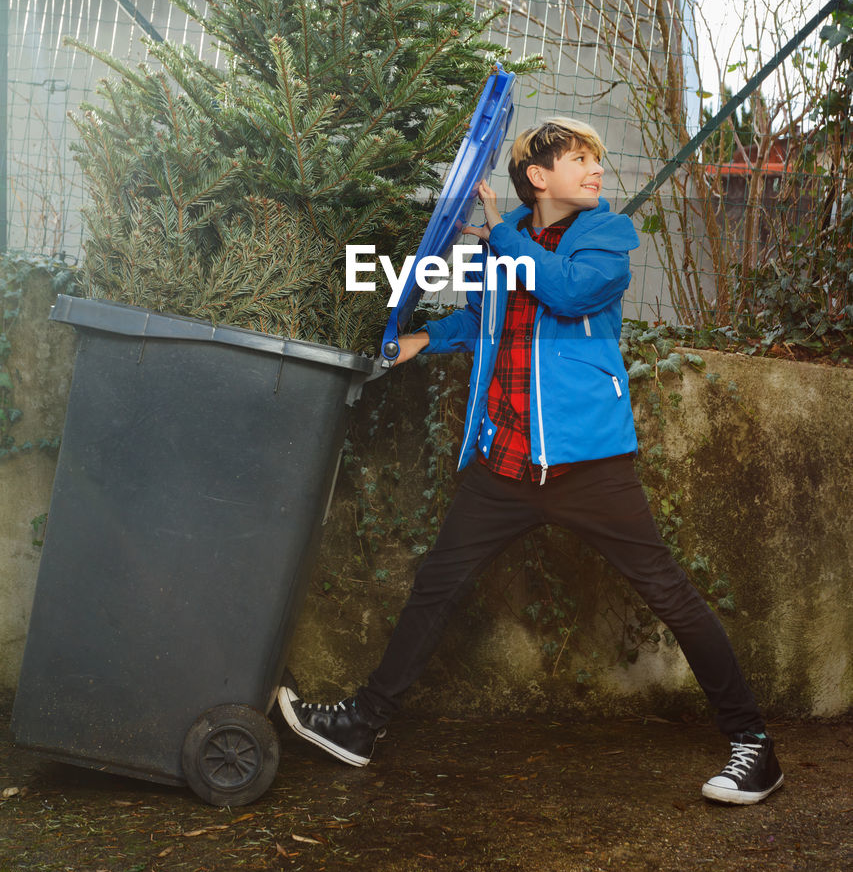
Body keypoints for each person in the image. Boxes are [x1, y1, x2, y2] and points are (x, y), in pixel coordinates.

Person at [278, 117, 784, 805]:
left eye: (596, 159)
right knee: (437, 586)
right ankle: (363, 725)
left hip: (588, 465)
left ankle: (753, 745)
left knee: (670, 595)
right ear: (537, 176)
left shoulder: (606, 237)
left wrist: (500, 234)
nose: (596, 170)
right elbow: (484, 319)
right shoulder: (503, 246)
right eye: (579, 159)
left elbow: (568, 292)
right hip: (506, 464)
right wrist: (420, 339)